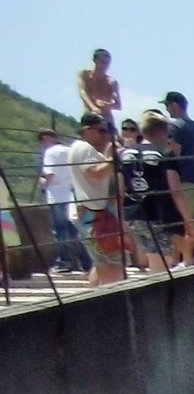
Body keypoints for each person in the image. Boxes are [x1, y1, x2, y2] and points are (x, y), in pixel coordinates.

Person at [66, 115, 125, 286]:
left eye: (108, 132)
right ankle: (109, 304)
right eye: (101, 131)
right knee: (114, 264)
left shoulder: (84, 149)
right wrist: (110, 158)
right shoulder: (84, 149)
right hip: (95, 215)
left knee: (101, 263)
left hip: (95, 213)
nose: (106, 136)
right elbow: (96, 174)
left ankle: (93, 299)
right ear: (87, 130)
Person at [118, 113, 178, 274]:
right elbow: (175, 190)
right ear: (162, 132)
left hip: (132, 214)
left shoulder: (124, 154)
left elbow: (120, 189)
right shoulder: (165, 154)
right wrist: (187, 220)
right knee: (161, 265)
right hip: (157, 214)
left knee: (150, 259)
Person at [161, 91, 194, 264]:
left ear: (174, 105)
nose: (167, 110)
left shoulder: (174, 126)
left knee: (183, 224)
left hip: (184, 182)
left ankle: (187, 261)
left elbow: (174, 154)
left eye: (167, 106)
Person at [36, 128, 86, 274]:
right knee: (75, 231)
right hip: (73, 195)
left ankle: (64, 262)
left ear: (45, 138)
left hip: (57, 196)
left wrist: (42, 182)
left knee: (61, 231)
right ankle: (86, 262)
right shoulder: (70, 150)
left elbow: (50, 176)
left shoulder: (50, 152)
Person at [77, 50, 121, 134]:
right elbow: (82, 92)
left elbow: (118, 105)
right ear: (95, 60)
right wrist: (93, 107)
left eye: (107, 63)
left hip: (107, 120)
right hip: (90, 118)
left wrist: (105, 104)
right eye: (102, 62)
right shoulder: (85, 75)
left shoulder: (112, 82)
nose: (104, 65)